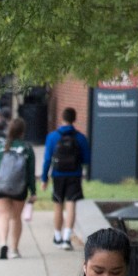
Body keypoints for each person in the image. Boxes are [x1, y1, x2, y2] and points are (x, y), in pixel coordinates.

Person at [41, 107, 92, 251]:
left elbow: (47, 160)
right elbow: (87, 159)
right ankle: (66, 238)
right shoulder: (80, 138)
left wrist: (44, 178)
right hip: (74, 175)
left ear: (61, 118)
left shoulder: (52, 137)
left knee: (58, 205)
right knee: (71, 206)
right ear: (74, 119)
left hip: (57, 176)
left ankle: (57, 236)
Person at [0, 116, 37, 261]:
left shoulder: (1, 147)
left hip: (0, 188)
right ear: (23, 131)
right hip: (19, 188)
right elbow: (30, 173)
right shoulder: (27, 148)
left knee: (3, 215)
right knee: (16, 218)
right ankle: (14, 249)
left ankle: (3, 243)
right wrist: (33, 191)